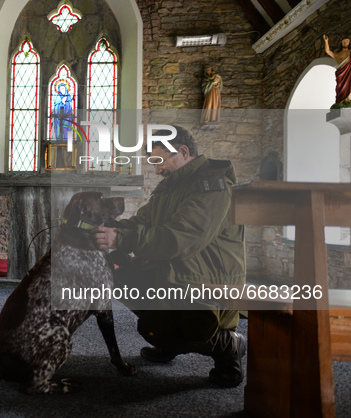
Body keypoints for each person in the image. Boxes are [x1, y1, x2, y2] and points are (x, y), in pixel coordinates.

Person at [91, 126, 247, 387]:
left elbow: (181, 238)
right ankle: (169, 334)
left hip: (206, 279)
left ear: (183, 152)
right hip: (177, 269)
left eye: (158, 161)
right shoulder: (170, 187)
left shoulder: (214, 187)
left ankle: (229, 346)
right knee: (114, 271)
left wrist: (121, 239)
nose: (156, 170)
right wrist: (108, 228)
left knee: (174, 320)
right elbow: (142, 222)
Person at [324, 35, 351, 107]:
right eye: (343, 41)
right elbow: (328, 51)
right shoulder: (338, 54)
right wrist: (326, 41)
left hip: (349, 73)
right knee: (340, 87)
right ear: (341, 43)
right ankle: (341, 101)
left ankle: (348, 99)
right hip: (341, 74)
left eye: (347, 41)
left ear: (349, 43)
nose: (345, 43)